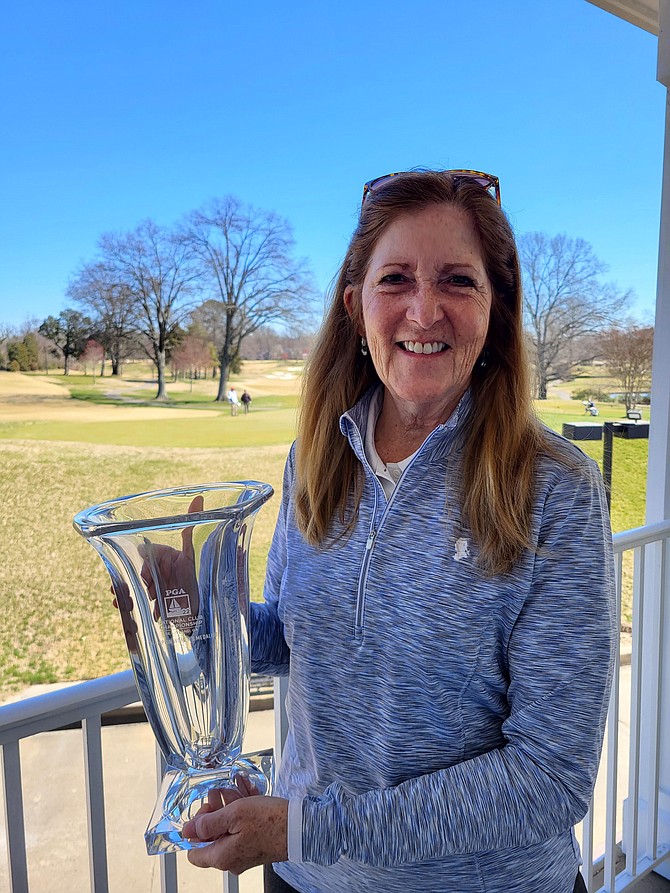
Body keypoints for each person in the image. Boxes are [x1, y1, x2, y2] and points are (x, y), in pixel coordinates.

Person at [182, 170, 616, 893]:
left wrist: (306, 826)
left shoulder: (557, 487)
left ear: (496, 309)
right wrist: (197, 613)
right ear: (355, 307)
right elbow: (287, 644)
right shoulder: (315, 456)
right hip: (304, 877)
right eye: (395, 280)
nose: (424, 310)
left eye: (457, 280)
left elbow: (550, 775)